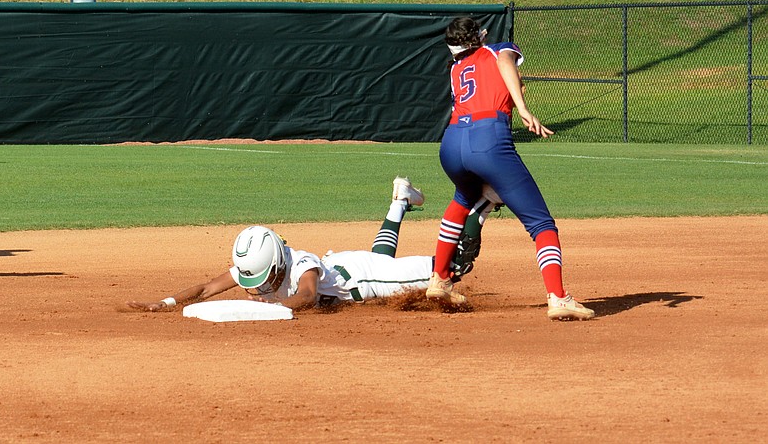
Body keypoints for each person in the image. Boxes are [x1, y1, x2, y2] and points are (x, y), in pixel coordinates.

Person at [425, 16, 595, 320]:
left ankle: (439, 279)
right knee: (541, 224)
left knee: (462, 199)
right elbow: (505, 62)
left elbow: (478, 66)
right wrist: (523, 107)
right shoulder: (497, 50)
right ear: (476, 38)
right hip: (488, 137)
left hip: (451, 142)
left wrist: (478, 43)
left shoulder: (455, 68)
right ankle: (557, 297)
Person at [125, 177, 488, 312]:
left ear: (278, 264)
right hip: (352, 264)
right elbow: (206, 288)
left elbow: (308, 296)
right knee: (379, 257)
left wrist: (269, 310)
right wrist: (166, 302)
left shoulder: (302, 265)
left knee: (453, 268)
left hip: (366, 283)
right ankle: (399, 200)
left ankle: (484, 200)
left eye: (263, 280)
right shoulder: (260, 261)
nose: (256, 289)